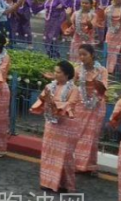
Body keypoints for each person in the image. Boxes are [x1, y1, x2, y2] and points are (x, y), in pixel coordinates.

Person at [32, 61, 81, 192]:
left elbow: (70, 105)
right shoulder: (49, 86)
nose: (55, 74)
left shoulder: (74, 89)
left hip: (66, 126)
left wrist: (54, 104)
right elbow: (41, 101)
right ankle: (47, 182)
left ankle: (64, 184)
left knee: (64, 156)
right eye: (55, 71)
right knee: (49, 152)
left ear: (67, 75)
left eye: (58, 72)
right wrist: (45, 100)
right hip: (51, 125)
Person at [71, 44, 109, 174]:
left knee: (92, 137)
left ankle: (90, 165)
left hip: (96, 106)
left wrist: (96, 84)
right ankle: (77, 164)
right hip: (80, 105)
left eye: (84, 54)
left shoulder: (101, 70)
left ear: (92, 55)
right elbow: (70, 84)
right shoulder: (77, 69)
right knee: (78, 134)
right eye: (80, 54)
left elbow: (103, 90)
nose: (81, 57)